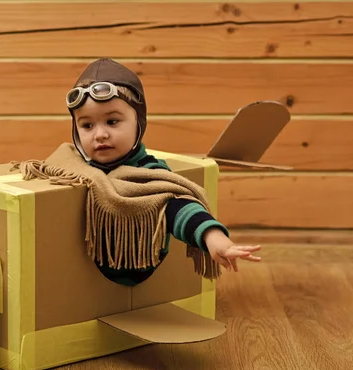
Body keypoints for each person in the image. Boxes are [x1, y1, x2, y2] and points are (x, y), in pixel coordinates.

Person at [63, 58, 261, 286]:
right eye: (87, 126)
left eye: (112, 121)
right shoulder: (74, 168)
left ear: (139, 123)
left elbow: (179, 207)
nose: (100, 134)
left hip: (138, 264)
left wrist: (214, 239)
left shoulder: (150, 173)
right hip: (86, 271)